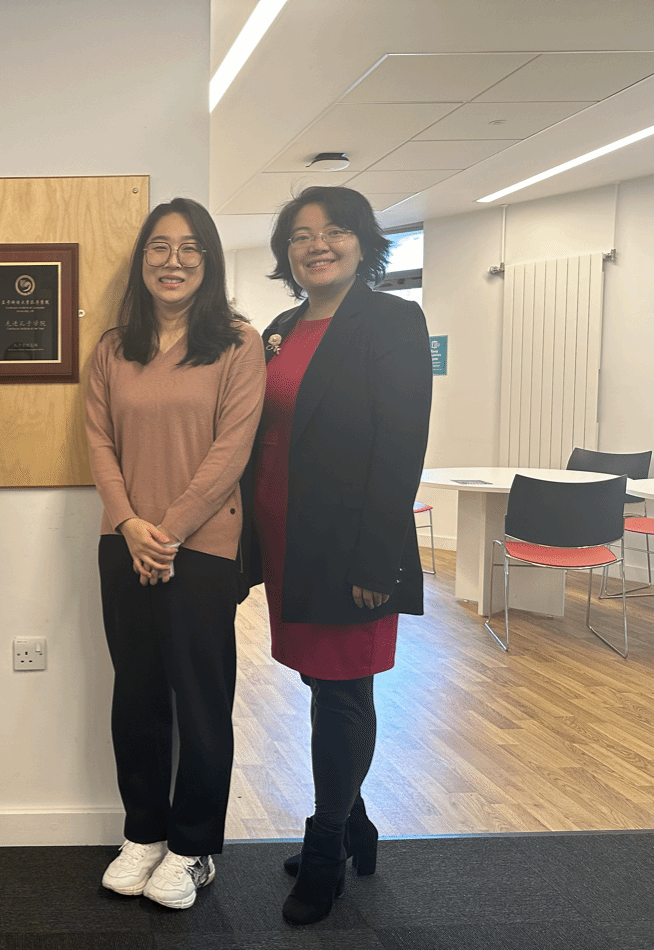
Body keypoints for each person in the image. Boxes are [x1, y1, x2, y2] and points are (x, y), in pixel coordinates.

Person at [246, 185, 431, 925]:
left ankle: (326, 846)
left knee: (345, 690)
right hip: (287, 540)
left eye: (334, 231)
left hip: (353, 547)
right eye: (300, 235)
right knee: (321, 683)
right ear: (286, 252)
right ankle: (355, 824)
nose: (316, 244)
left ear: (363, 241)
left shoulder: (392, 320)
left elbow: (401, 445)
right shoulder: (282, 328)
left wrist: (376, 561)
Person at [85, 198, 265, 910]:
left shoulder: (238, 344)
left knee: (200, 700)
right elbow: (98, 442)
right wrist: (131, 524)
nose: (173, 261)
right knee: (135, 696)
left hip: (204, 549)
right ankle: (144, 834)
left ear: (208, 261)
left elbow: (233, 448)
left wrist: (170, 532)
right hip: (124, 544)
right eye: (159, 247)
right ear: (142, 260)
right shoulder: (113, 349)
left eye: (190, 248)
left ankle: (193, 849)